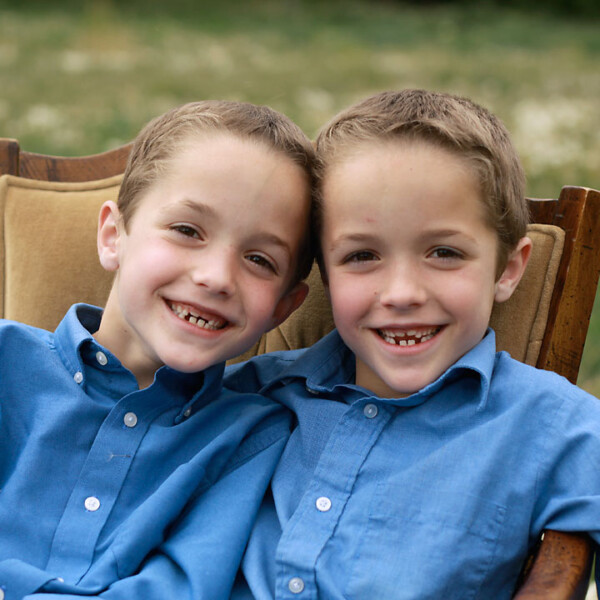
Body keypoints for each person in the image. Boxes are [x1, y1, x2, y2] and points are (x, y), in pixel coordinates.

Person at [226, 89, 600, 599]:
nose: (402, 294)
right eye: (362, 256)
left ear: (508, 268)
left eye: (443, 252)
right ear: (324, 273)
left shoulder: (554, 428)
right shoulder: (251, 397)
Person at [0, 100, 316, 599]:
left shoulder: (250, 437)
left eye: (259, 259)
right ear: (113, 236)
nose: (215, 277)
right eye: (188, 230)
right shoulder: (5, 361)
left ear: (283, 307)